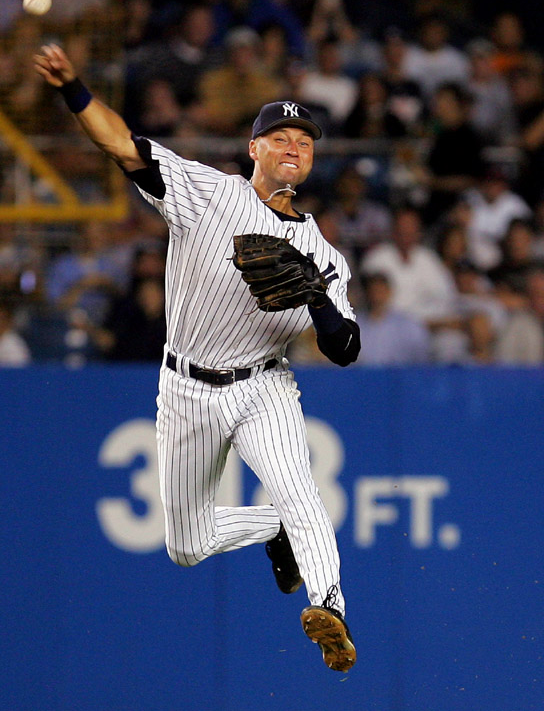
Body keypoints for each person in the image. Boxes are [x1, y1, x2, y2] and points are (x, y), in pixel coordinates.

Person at [34, 43, 359, 672]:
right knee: (186, 544)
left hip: (265, 387)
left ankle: (331, 608)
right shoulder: (205, 193)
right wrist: (74, 88)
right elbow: (124, 146)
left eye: (306, 142)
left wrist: (319, 300)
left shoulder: (325, 255)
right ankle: (274, 529)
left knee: (302, 492)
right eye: (282, 137)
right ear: (254, 149)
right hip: (186, 386)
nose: (295, 147)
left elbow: (344, 350)